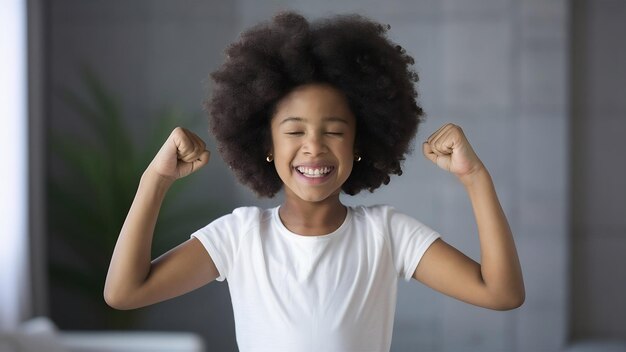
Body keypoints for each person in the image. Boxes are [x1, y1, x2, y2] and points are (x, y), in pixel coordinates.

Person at [104, 11, 524, 351]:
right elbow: (124, 293)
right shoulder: (239, 237)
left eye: (335, 131)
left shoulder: (388, 235)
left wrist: (474, 178)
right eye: (294, 131)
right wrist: (155, 180)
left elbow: (502, 293)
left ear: (360, 143)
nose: (314, 147)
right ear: (265, 143)